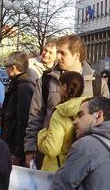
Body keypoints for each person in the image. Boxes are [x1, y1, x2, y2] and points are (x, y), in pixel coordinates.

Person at [24, 35, 95, 168]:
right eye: (58, 52)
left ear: (77, 56)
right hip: (50, 158)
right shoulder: (46, 80)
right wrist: (30, 148)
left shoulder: (96, 83)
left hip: (86, 159)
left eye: (63, 53)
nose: (57, 57)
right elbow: (35, 116)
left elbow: (106, 119)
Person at [37, 72, 87, 172]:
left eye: (59, 85)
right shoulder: (87, 108)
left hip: (56, 170)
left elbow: (52, 150)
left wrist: (41, 135)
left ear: (64, 86)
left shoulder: (60, 113)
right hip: (77, 167)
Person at [0, 51, 36, 166]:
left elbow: (24, 121)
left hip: (15, 146)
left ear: (14, 67)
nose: (5, 70)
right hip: (11, 143)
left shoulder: (23, 87)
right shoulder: (17, 84)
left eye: (7, 66)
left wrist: (18, 152)